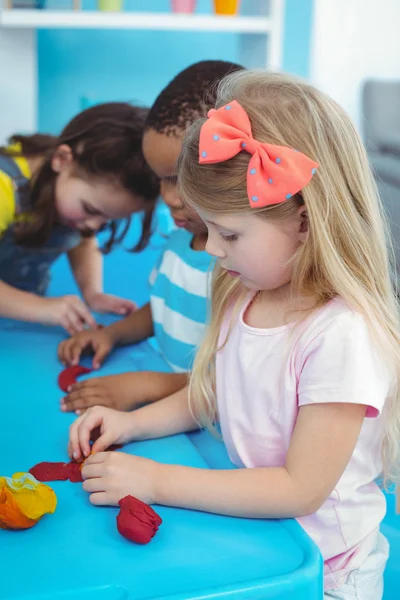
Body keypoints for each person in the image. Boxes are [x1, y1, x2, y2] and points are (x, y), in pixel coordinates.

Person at [69, 70, 400, 599]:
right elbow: (214, 396)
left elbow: (299, 489)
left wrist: (154, 481)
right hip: (256, 539)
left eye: (227, 233)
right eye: (206, 229)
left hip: (325, 572)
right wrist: (131, 424)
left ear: (306, 223)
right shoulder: (244, 291)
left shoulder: (341, 337)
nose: (209, 250)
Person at [58, 60, 242, 413]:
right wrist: (111, 334)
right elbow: (163, 305)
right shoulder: (178, 240)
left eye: (183, 179)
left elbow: (240, 379)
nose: (169, 199)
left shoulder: (242, 266)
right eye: (162, 178)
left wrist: (150, 386)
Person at [0, 103, 159, 334]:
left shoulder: (72, 194)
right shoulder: (5, 188)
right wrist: (42, 308)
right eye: (91, 209)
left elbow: (82, 239)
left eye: (107, 219)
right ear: (62, 160)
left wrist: (93, 293)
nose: (94, 226)